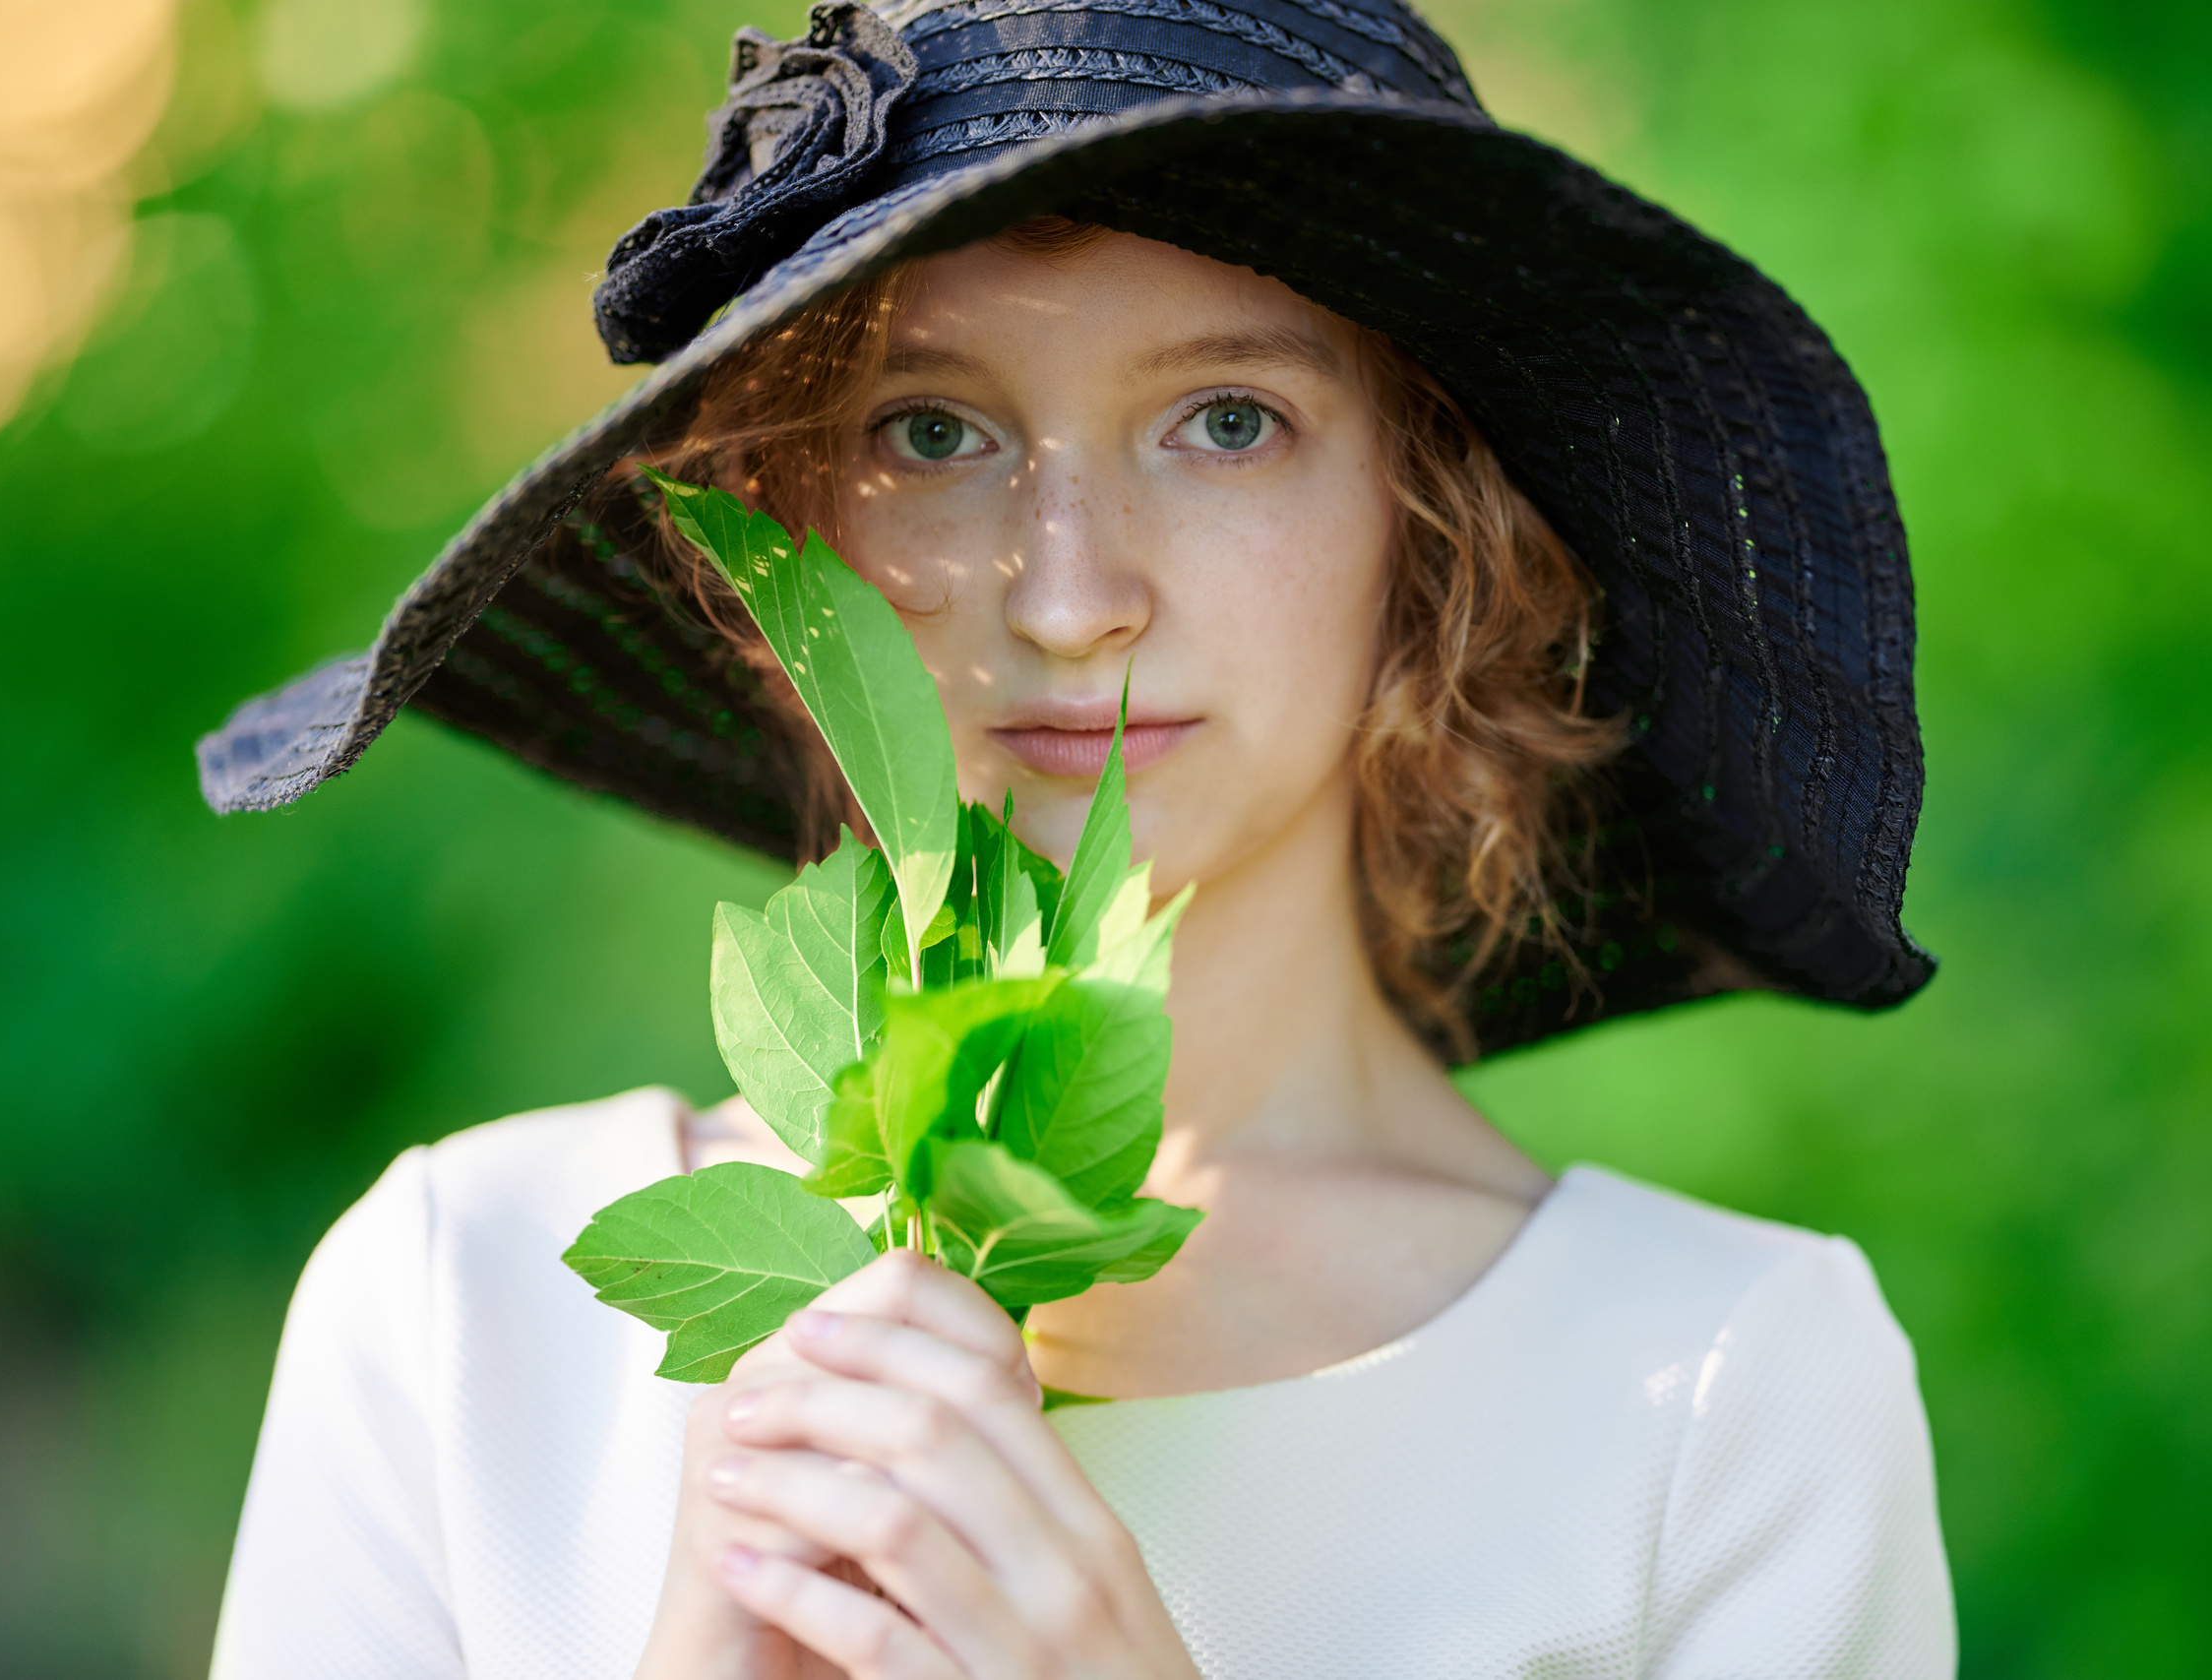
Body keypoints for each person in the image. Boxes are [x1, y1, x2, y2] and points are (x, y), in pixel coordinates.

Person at [200, 2, 1953, 1675]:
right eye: (933, 432)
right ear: (791, 532)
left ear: (1431, 519)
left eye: (1228, 422)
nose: (1066, 596)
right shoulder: (468, 1308)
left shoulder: (1721, 1400)